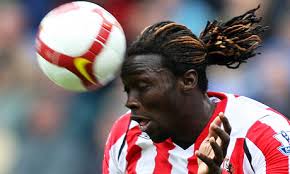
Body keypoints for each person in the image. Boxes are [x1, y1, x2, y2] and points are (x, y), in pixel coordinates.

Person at [103, 6, 290, 174]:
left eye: (145, 87)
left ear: (188, 81)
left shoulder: (263, 134)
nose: (131, 102)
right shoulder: (124, 135)